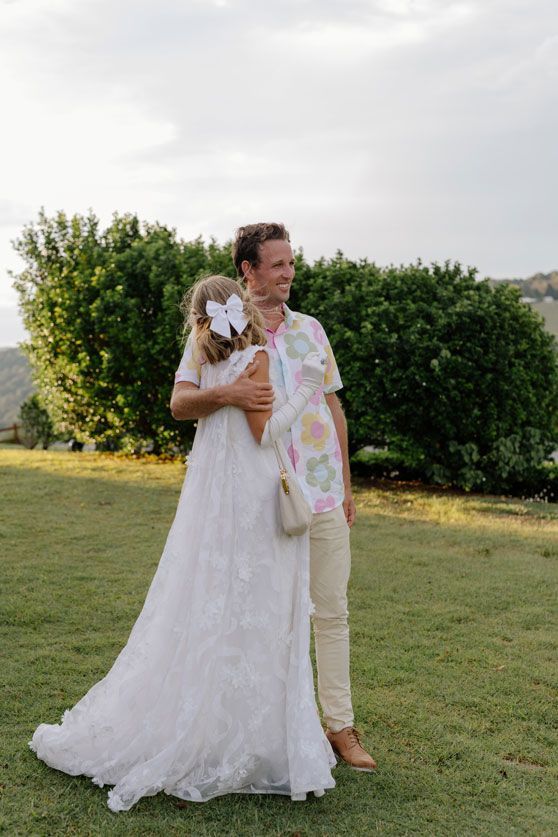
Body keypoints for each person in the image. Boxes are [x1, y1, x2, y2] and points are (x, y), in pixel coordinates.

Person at [30, 275, 336, 810]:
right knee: (259, 606)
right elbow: (266, 432)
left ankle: (211, 727)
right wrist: (308, 388)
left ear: (198, 318)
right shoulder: (255, 359)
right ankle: (251, 740)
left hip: (212, 501)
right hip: (253, 498)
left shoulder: (200, 352)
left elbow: (187, 405)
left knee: (206, 601)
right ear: (243, 309)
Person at [171, 223, 377, 772]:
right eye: (278, 264)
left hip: (325, 492)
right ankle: (284, 730)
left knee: (331, 611)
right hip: (260, 496)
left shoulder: (313, 328)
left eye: (292, 262)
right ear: (249, 270)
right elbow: (182, 402)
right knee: (269, 617)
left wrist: (347, 485)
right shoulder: (223, 333)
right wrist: (228, 393)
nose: (289, 273)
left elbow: (333, 407)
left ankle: (341, 727)